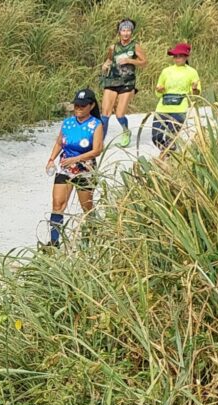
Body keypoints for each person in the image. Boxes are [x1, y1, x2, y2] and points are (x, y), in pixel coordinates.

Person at [44, 89, 104, 246]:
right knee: (58, 203)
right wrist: (51, 159)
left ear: (91, 106)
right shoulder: (67, 123)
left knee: (86, 206)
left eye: (83, 106)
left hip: (85, 169)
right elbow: (59, 142)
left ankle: (90, 237)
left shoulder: (96, 125)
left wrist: (76, 159)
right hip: (65, 167)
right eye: (77, 105)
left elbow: (97, 150)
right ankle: (54, 242)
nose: (79, 108)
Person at [99, 18, 147, 148]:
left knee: (119, 114)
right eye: (123, 30)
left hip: (127, 82)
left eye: (128, 30)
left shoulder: (135, 46)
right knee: (105, 114)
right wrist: (105, 65)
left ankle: (126, 131)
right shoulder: (113, 47)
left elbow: (144, 62)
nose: (126, 33)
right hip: (112, 80)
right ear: (119, 32)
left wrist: (130, 61)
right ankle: (100, 143)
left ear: (131, 32)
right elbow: (110, 60)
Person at [152, 42, 201, 153]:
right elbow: (158, 92)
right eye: (175, 56)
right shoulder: (166, 71)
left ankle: (167, 156)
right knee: (156, 137)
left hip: (179, 108)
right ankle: (169, 152)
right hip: (162, 107)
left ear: (186, 57)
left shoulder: (192, 72)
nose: (177, 58)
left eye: (180, 56)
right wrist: (159, 90)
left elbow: (196, 94)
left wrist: (194, 89)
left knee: (170, 137)